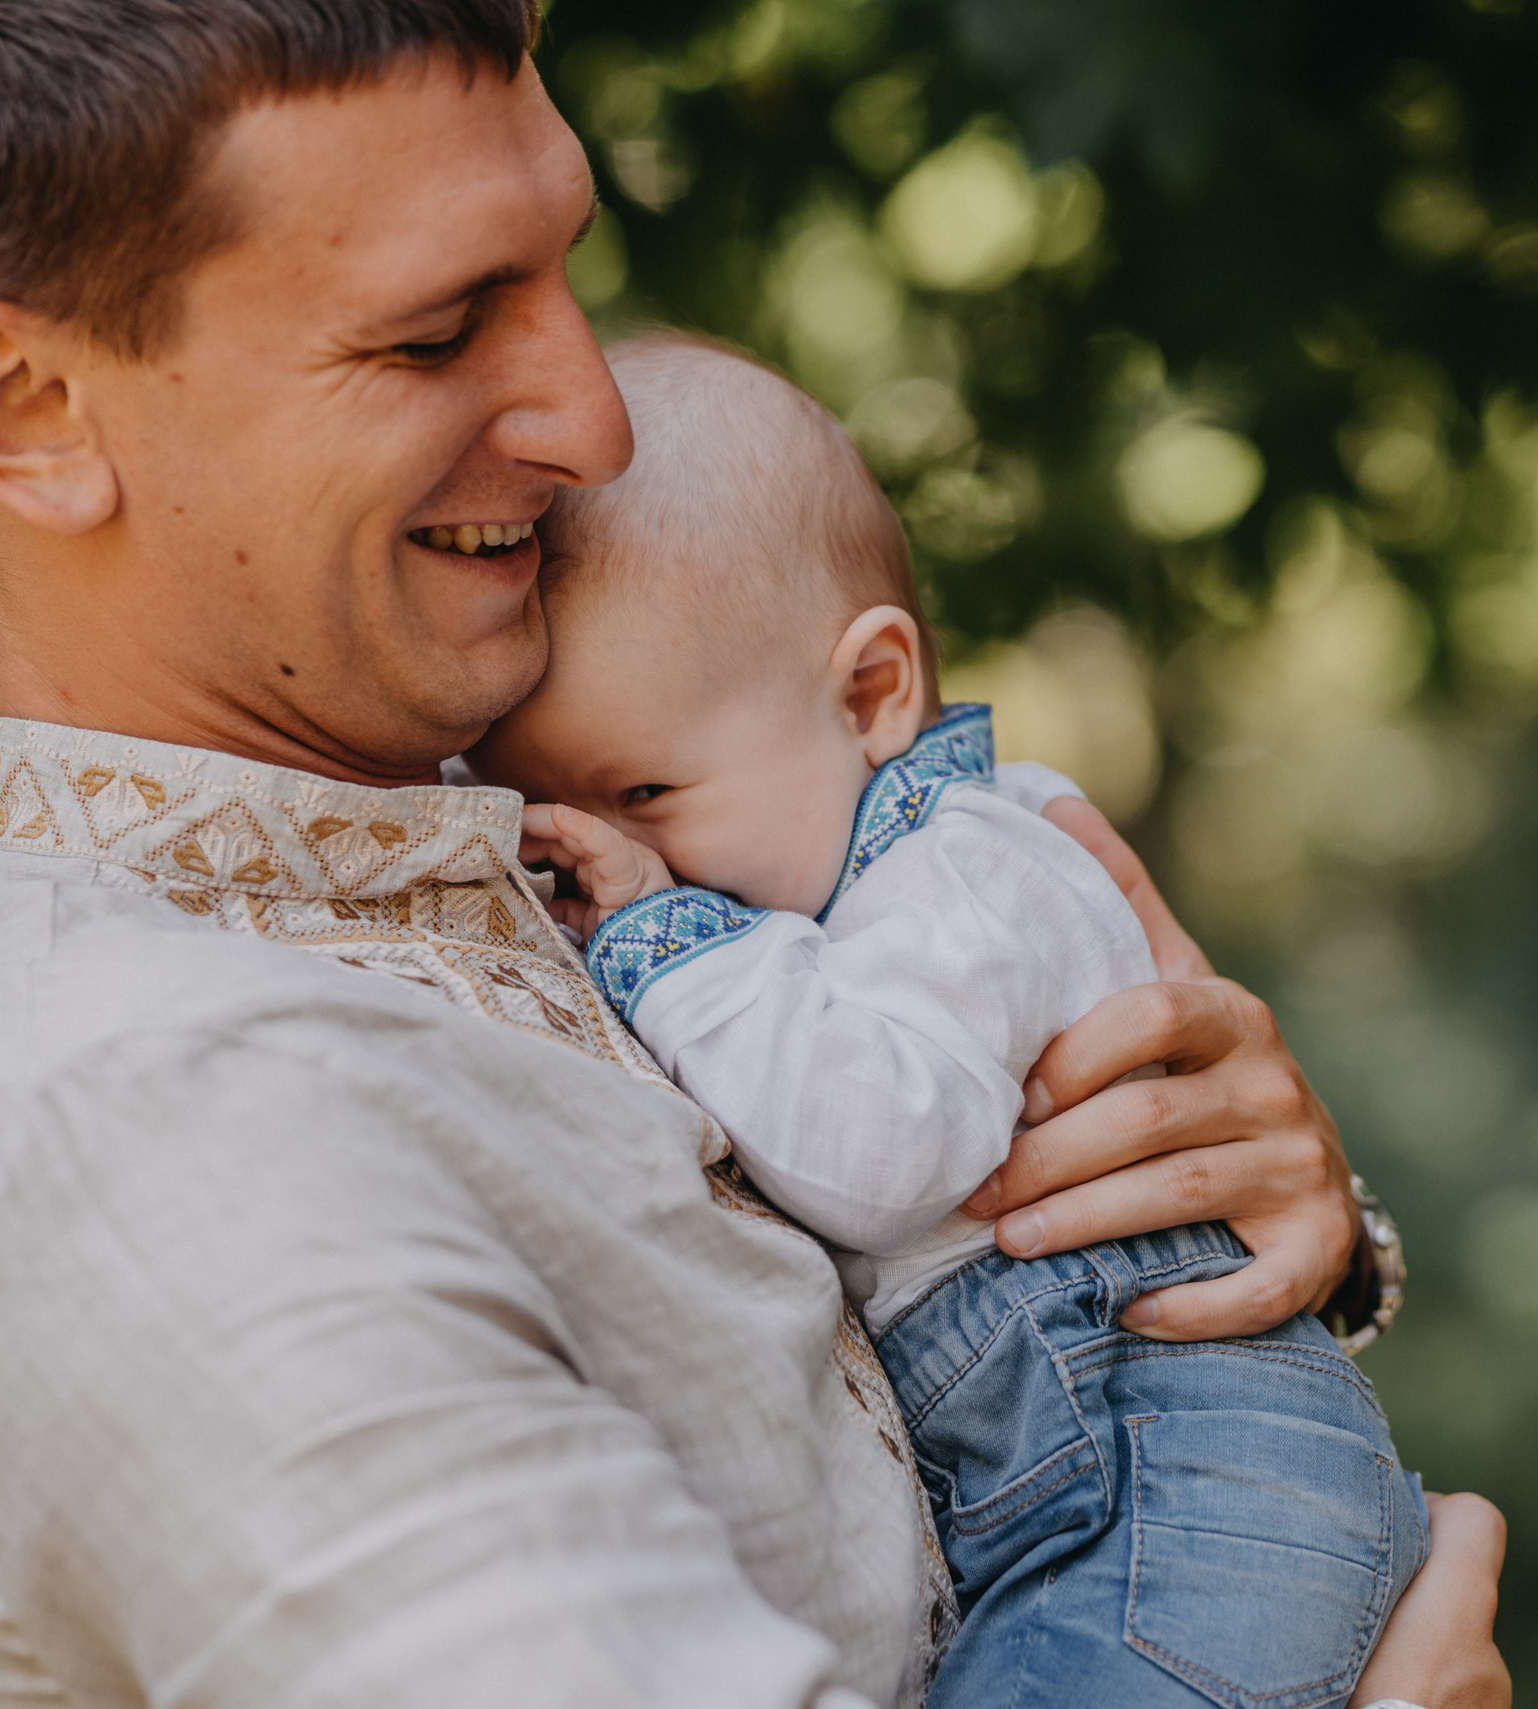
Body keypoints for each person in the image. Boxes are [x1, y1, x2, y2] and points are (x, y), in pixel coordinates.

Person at [0, 2, 1512, 1705]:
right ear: (24, 407)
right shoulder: (162, 1131)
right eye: (440, 329)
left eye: (562, 271)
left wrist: (1245, 1215)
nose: (596, 425)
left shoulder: (545, 780)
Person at [477, 335, 1427, 1708]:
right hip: (1115, 1482)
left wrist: (658, 939)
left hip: (1165, 1486)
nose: (608, 858)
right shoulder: (843, 843)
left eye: (642, 796)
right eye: (542, 809)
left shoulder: (956, 877)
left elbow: (878, 1153)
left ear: (872, 695)